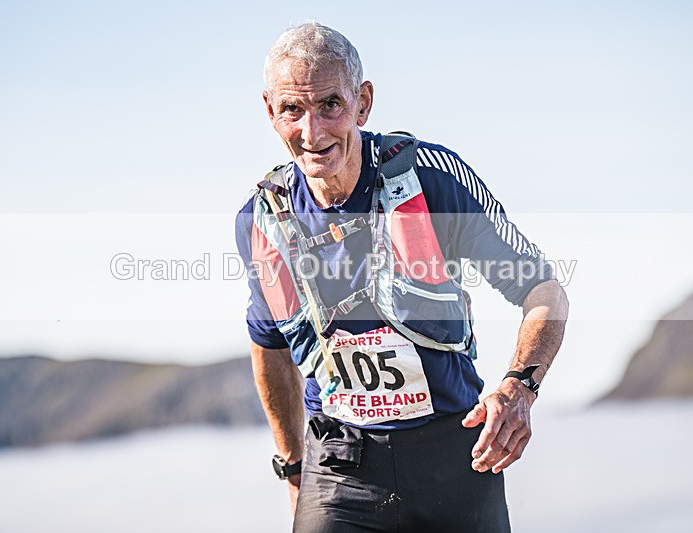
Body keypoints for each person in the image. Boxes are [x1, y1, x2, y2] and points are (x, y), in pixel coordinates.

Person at [235, 21, 568, 532]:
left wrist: (520, 387)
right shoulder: (263, 219)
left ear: (363, 102)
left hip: (456, 454)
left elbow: (544, 290)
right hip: (338, 467)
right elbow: (270, 347)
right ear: (269, 112)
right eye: (292, 110)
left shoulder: (433, 181)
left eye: (330, 105)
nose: (312, 132)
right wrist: (293, 466)